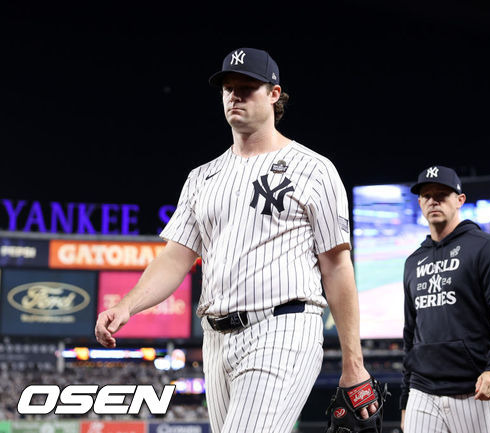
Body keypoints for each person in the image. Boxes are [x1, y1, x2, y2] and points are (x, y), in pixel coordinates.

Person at [95, 47, 375, 432]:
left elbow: (337, 266)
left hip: (283, 326)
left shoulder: (314, 169)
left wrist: (354, 363)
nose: (234, 96)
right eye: (228, 87)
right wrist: (127, 306)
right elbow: (174, 259)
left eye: (247, 87)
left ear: (274, 95)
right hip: (216, 339)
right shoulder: (202, 178)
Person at [400, 165, 490, 433]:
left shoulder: (486, 247)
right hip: (423, 391)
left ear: (460, 200)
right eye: (426, 195)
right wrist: (405, 399)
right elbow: (411, 333)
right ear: (419, 202)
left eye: (442, 194)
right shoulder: (413, 261)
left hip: (477, 388)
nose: (433, 200)